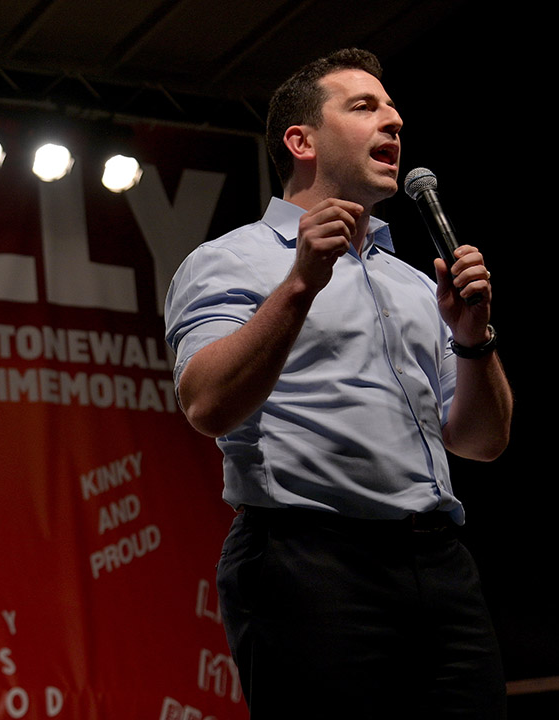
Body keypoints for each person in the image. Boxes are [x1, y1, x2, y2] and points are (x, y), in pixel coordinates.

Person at [163, 49, 512, 719]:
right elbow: (206, 403)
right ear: (301, 142)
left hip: (438, 566)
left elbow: (481, 442)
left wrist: (472, 338)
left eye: (392, 108)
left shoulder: (416, 283)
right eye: (364, 107)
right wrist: (300, 284)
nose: (395, 118)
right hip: (308, 564)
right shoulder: (229, 260)